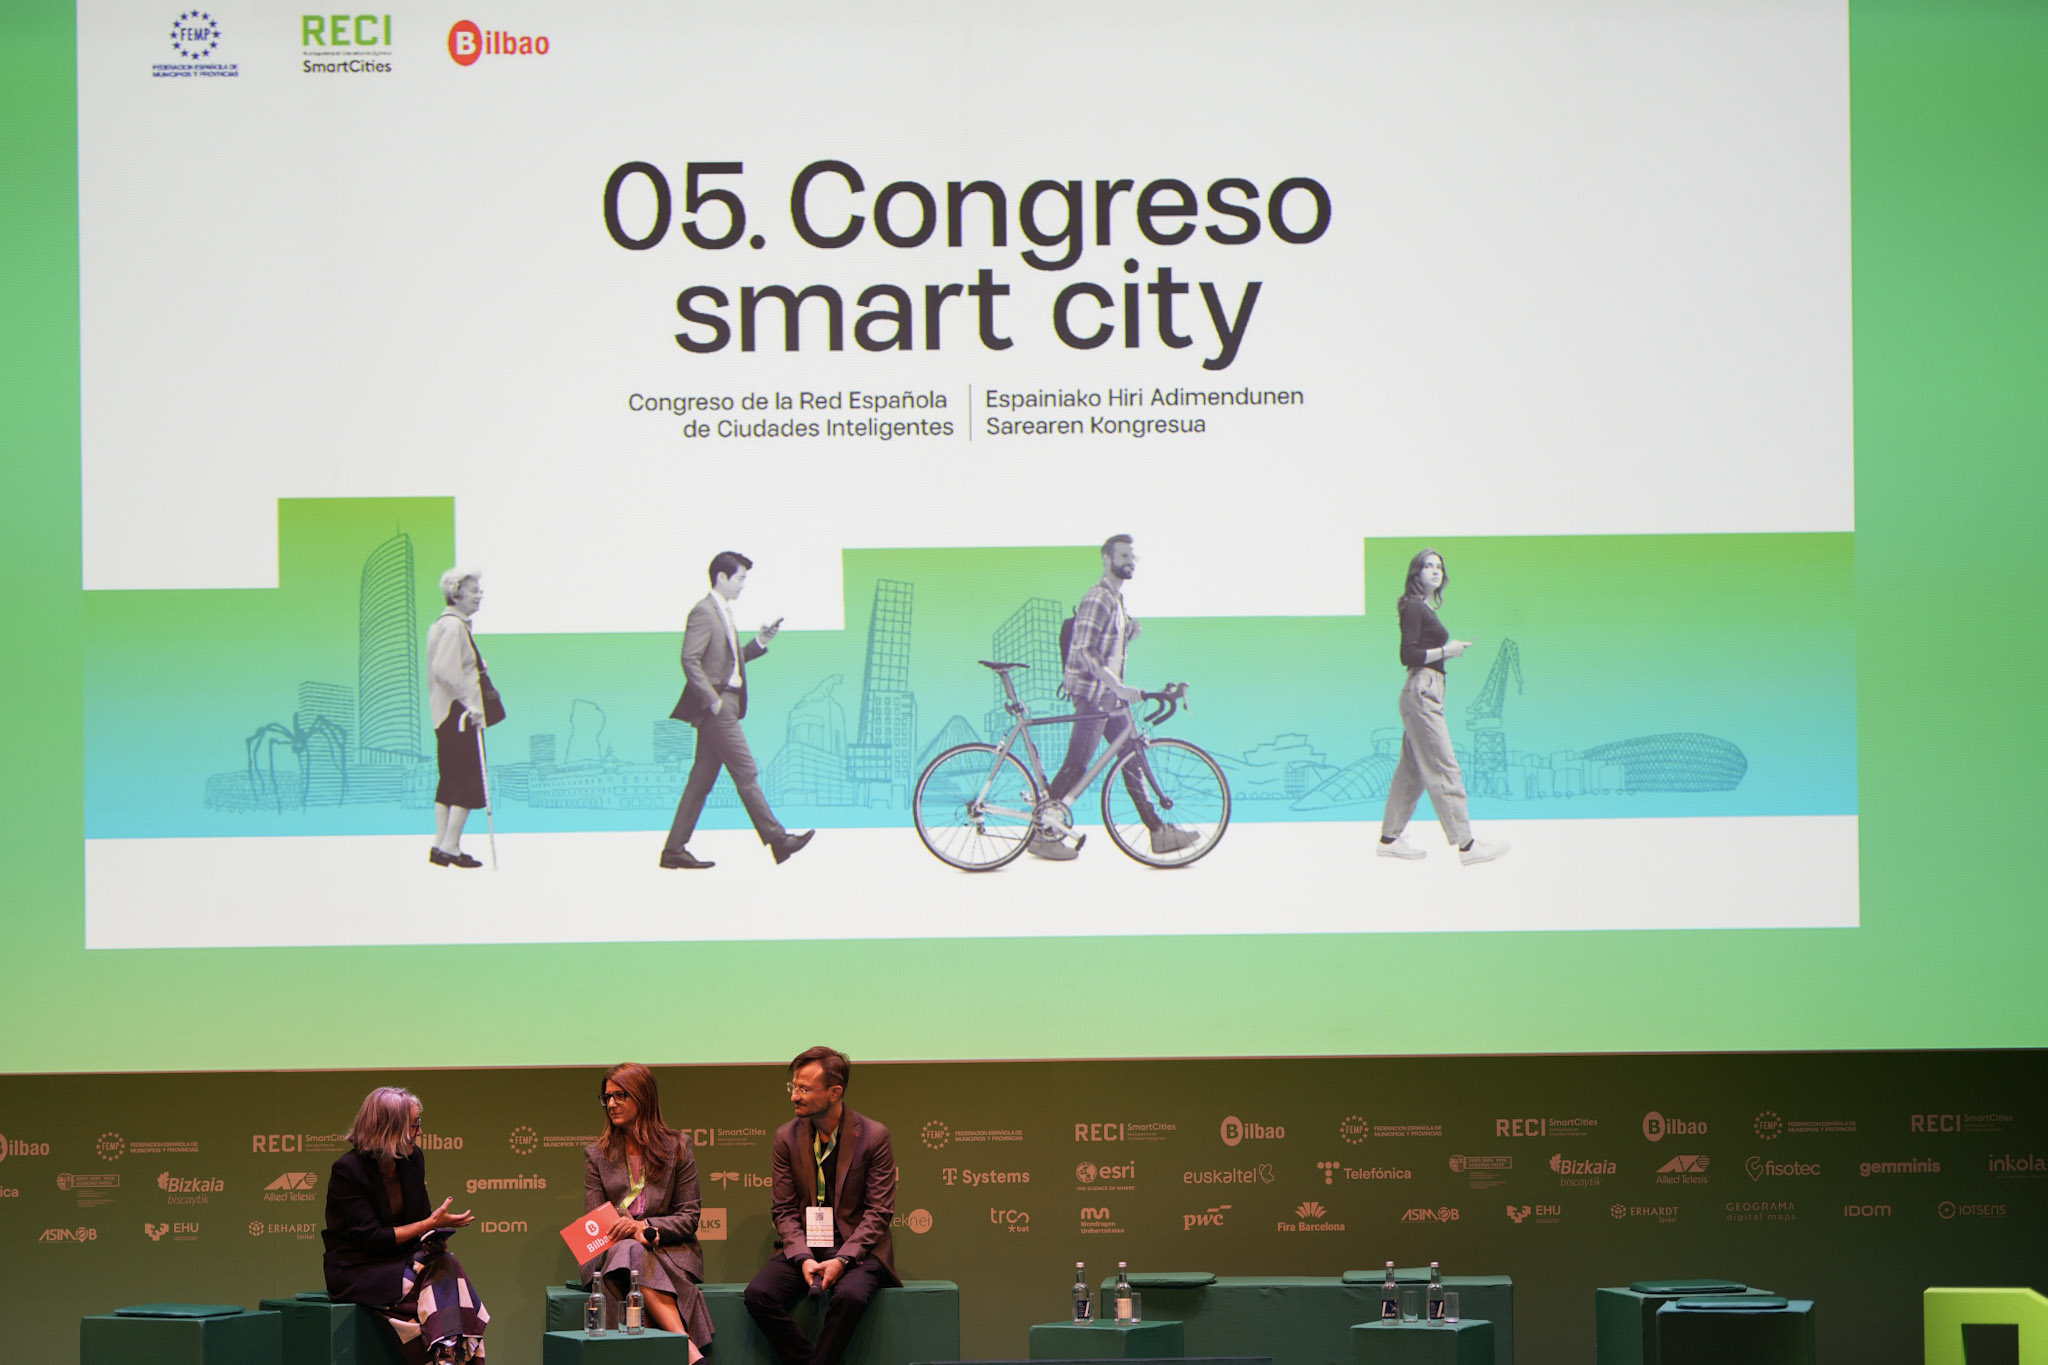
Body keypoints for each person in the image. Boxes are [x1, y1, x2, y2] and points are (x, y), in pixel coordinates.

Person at [1032, 534, 1197, 860]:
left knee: (1132, 760)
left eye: (1133, 557)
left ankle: (1159, 833)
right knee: (1077, 766)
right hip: (1094, 696)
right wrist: (1119, 688)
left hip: (1109, 697)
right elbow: (1084, 651)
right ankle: (1041, 835)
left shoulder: (1117, 601)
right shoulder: (1098, 597)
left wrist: (1128, 633)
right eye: (1123, 556)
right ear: (1106, 559)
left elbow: (1105, 647)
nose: (1130, 561)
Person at [743, 1046, 899, 1365]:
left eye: (804, 1089)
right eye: (793, 1087)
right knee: (758, 1295)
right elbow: (784, 1210)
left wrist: (842, 1259)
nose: (794, 1096)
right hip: (806, 1246)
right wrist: (802, 1257)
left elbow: (879, 1213)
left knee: (851, 1296)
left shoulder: (873, 1136)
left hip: (857, 1249)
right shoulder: (785, 1137)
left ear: (834, 1092)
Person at [660, 551, 814, 869]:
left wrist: (759, 642)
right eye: (741, 578)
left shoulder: (723, 612)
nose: (744, 584)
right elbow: (689, 659)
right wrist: (712, 700)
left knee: (700, 782)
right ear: (722, 577)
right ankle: (778, 839)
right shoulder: (704, 611)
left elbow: (729, 662)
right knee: (746, 772)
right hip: (718, 706)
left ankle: (673, 851)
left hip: (727, 703)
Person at [321, 1087, 489, 1363]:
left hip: (403, 1263)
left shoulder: (412, 1160)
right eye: (415, 1124)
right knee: (438, 1279)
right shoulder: (348, 1170)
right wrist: (428, 1224)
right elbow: (372, 1239)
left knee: (444, 1260)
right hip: (359, 1270)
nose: (420, 1131)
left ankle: (446, 1354)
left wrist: (435, 1232)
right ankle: (454, 1353)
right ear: (391, 1128)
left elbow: (421, 1217)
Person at [1377, 548, 1508, 865]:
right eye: (1428, 566)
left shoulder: (1422, 607)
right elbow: (1407, 655)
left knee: (1411, 771)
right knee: (1445, 767)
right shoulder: (1413, 607)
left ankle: (1389, 840)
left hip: (1426, 691)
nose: (1436, 571)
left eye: (1439, 566)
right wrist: (1446, 651)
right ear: (1416, 573)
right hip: (1423, 690)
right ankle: (1467, 846)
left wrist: (1448, 651)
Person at [581, 1064, 714, 1359]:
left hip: (669, 1251)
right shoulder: (597, 1155)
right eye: (607, 1097)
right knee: (629, 1250)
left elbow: (689, 1217)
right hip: (610, 1251)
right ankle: (686, 1348)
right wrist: (629, 1231)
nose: (611, 1104)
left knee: (633, 1255)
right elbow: (595, 1218)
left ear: (643, 1097)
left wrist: (644, 1227)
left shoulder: (678, 1148)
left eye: (620, 1095)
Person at [426, 569, 487, 868]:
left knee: (449, 779)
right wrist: (470, 703)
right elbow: (444, 670)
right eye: (474, 590)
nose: (480, 595)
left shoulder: (441, 625)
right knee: (469, 780)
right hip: (459, 714)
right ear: (456, 593)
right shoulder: (454, 627)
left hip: (444, 714)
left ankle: (441, 845)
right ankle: (450, 846)